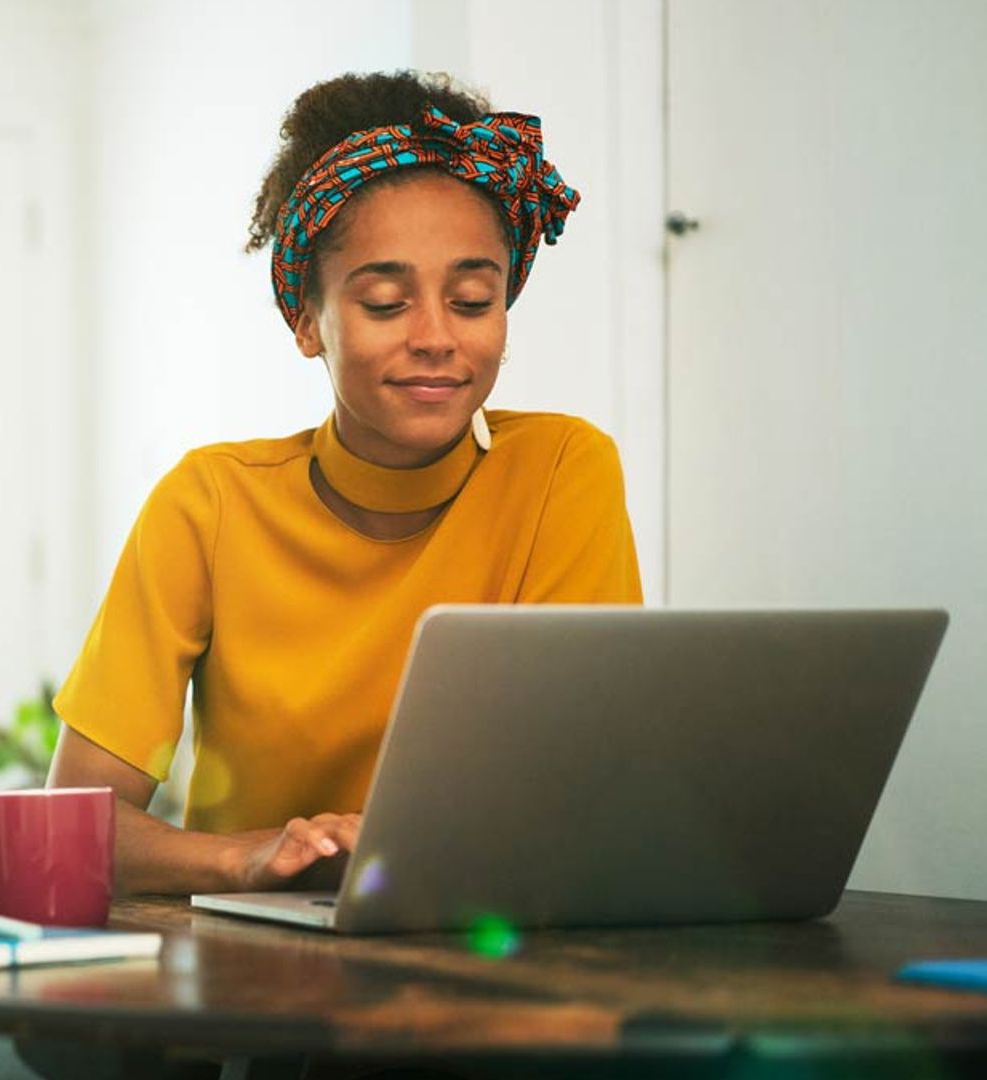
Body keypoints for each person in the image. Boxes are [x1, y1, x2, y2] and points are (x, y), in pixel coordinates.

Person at [46, 70, 643, 897]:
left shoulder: (561, 471)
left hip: (489, 951)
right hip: (254, 971)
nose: (437, 338)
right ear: (304, 321)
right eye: (387, 303)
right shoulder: (210, 502)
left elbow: (585, 794)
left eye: (473, 300)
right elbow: (73, 821)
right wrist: (249, 858)